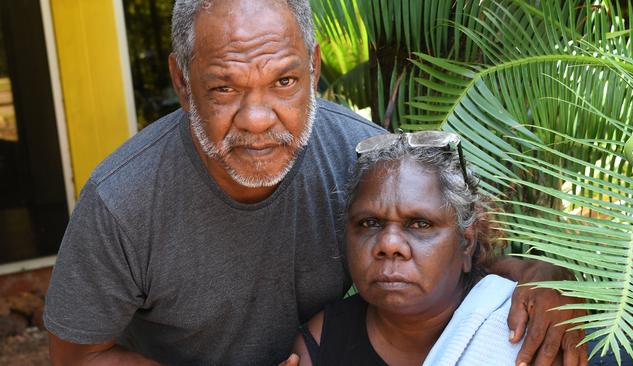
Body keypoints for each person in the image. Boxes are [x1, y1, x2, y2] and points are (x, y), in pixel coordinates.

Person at [44, 0, 586, 365]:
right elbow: (78, 356)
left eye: (283, 81)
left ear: (314, 68)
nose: (258, 118)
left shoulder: (360, 158)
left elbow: (447, 245)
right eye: (225, 88)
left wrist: (547, 278)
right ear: (183, 83)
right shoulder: (122, 201)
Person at [290, 131, 575, 366]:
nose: (389, 245)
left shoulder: (528, 325)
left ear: (466, 242)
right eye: (369, 223)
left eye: (420, 224)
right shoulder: (322, 343)